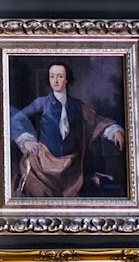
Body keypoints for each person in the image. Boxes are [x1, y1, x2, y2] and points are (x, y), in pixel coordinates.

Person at [10, 61, 125, 200]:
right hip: (44, 164)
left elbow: (96, 120)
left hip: (72, 168)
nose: (55, 80)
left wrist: (114, 130)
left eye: (59, 76)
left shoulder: (77, 106)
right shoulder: (42, 103)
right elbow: (17, 118)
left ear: (67, 79)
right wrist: (26, 141)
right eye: (52, 76)